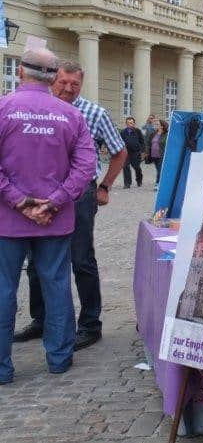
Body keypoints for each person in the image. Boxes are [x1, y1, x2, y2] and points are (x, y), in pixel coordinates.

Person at [15, 60, 127, 351]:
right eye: (62, 82)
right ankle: (41, 319)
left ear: (82, 83)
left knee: (81, 259)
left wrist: (104, 186)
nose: (68, 89)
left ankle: (90, 324)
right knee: (36, 261)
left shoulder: (94, 112)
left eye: (74, 84)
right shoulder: (38, 109)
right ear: (52, 80)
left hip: (78, 195)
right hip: (40, 194)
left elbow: (120, 152)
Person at [0, 48, 97, 384]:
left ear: (22, 73)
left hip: (7, 220)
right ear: (54, 77)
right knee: (56, 286)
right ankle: (58, 358)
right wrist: (54, 202)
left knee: (3, 289)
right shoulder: (70, 115)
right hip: (55, 220)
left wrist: (20, 202)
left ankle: (2, 368)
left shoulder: (3, 108)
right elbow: (86, 166)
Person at [120, 116, 145, 188]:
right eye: (128, 123)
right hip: (126, 153)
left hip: (136, 153)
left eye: (131, 123)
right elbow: (120, 141)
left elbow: (142, 141)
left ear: (134, 123)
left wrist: (143, 151)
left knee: (136, 167)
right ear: (126, 124)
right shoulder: (123, 132)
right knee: (125, 167)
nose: (130, 124)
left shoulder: (137, 131)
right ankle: (127, 183)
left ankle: (139, 180)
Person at [146, 120, 168, 187]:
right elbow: (148, 144)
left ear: (162, 126)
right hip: (153, 155)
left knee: (160, 170)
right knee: (158, 169)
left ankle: (158, 184)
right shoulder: (153, 134)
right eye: (155, 124)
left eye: (157, 124)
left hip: (161, 155)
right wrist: (147, 152)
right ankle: (161, 182)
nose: (155, 125)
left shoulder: (167, 134)